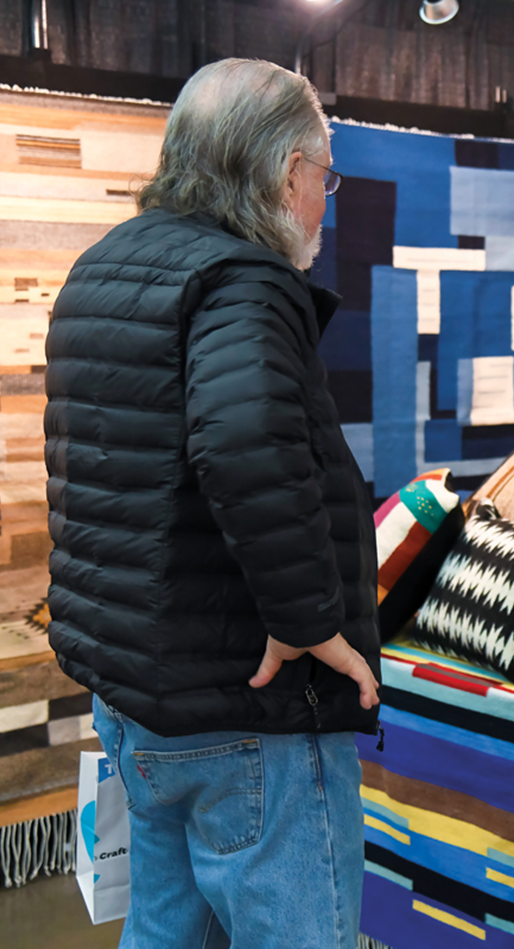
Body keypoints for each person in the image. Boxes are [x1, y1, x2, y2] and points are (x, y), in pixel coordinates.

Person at [44, 59, 380, 949]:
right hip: (244, 707)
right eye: (323, 175)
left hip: (138, 696)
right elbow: (241, 445)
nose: (323, 202)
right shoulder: (244, 279)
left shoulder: (103, 267)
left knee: (164, 929)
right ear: (282, 173)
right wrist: (306, 615)